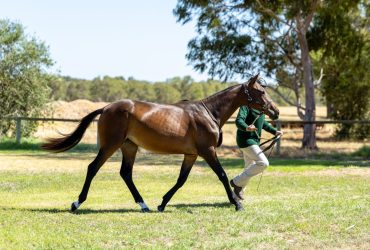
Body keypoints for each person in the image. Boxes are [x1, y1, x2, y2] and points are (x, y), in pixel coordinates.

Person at [230, 105, 283, 200]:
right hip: (246, 141)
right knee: (263, 163)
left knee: (249, 168)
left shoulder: (261, 107)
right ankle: (236, 182)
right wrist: (246, 127)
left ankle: (235, 198)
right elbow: (239, 121)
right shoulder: (246, 106)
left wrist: (274, 132)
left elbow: (262, 123)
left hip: (254, 141)